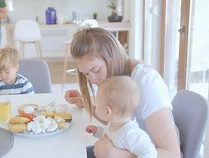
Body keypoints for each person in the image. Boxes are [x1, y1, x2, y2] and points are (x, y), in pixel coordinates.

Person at [64, 27, 181, 158]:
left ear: (111, 56)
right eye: (86, 74)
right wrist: (85, 103)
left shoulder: (146, 81)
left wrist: (112, 154)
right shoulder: (118, 78)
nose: (92, 80)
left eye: (96, 70)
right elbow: (118, 122)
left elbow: (172, 155)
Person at [85, 76, 157, 158]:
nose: (95, 107)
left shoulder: (131, 133)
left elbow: (150, 152)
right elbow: (108, 136)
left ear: (107, 111)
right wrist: (97, 131)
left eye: (97, 104)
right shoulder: (114, 124)